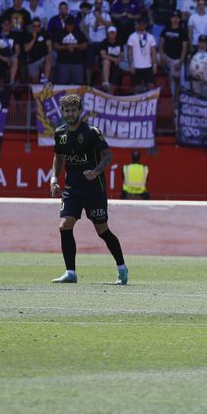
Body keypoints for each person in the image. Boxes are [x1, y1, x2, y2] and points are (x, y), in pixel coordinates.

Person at [48, 92, 130, 285]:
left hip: (94, 189)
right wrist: (54, 179)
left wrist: (95, 172)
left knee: (102, 230)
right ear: (62, 111)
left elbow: (108, 156)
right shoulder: (60, 133)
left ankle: (122, 267)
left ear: (80, 111)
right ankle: (70, 272)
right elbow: (58, 157)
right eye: (67, 111)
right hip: (72, 189)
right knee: (64, 225)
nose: (70, 114)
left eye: (73, 110)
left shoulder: (91, 132)